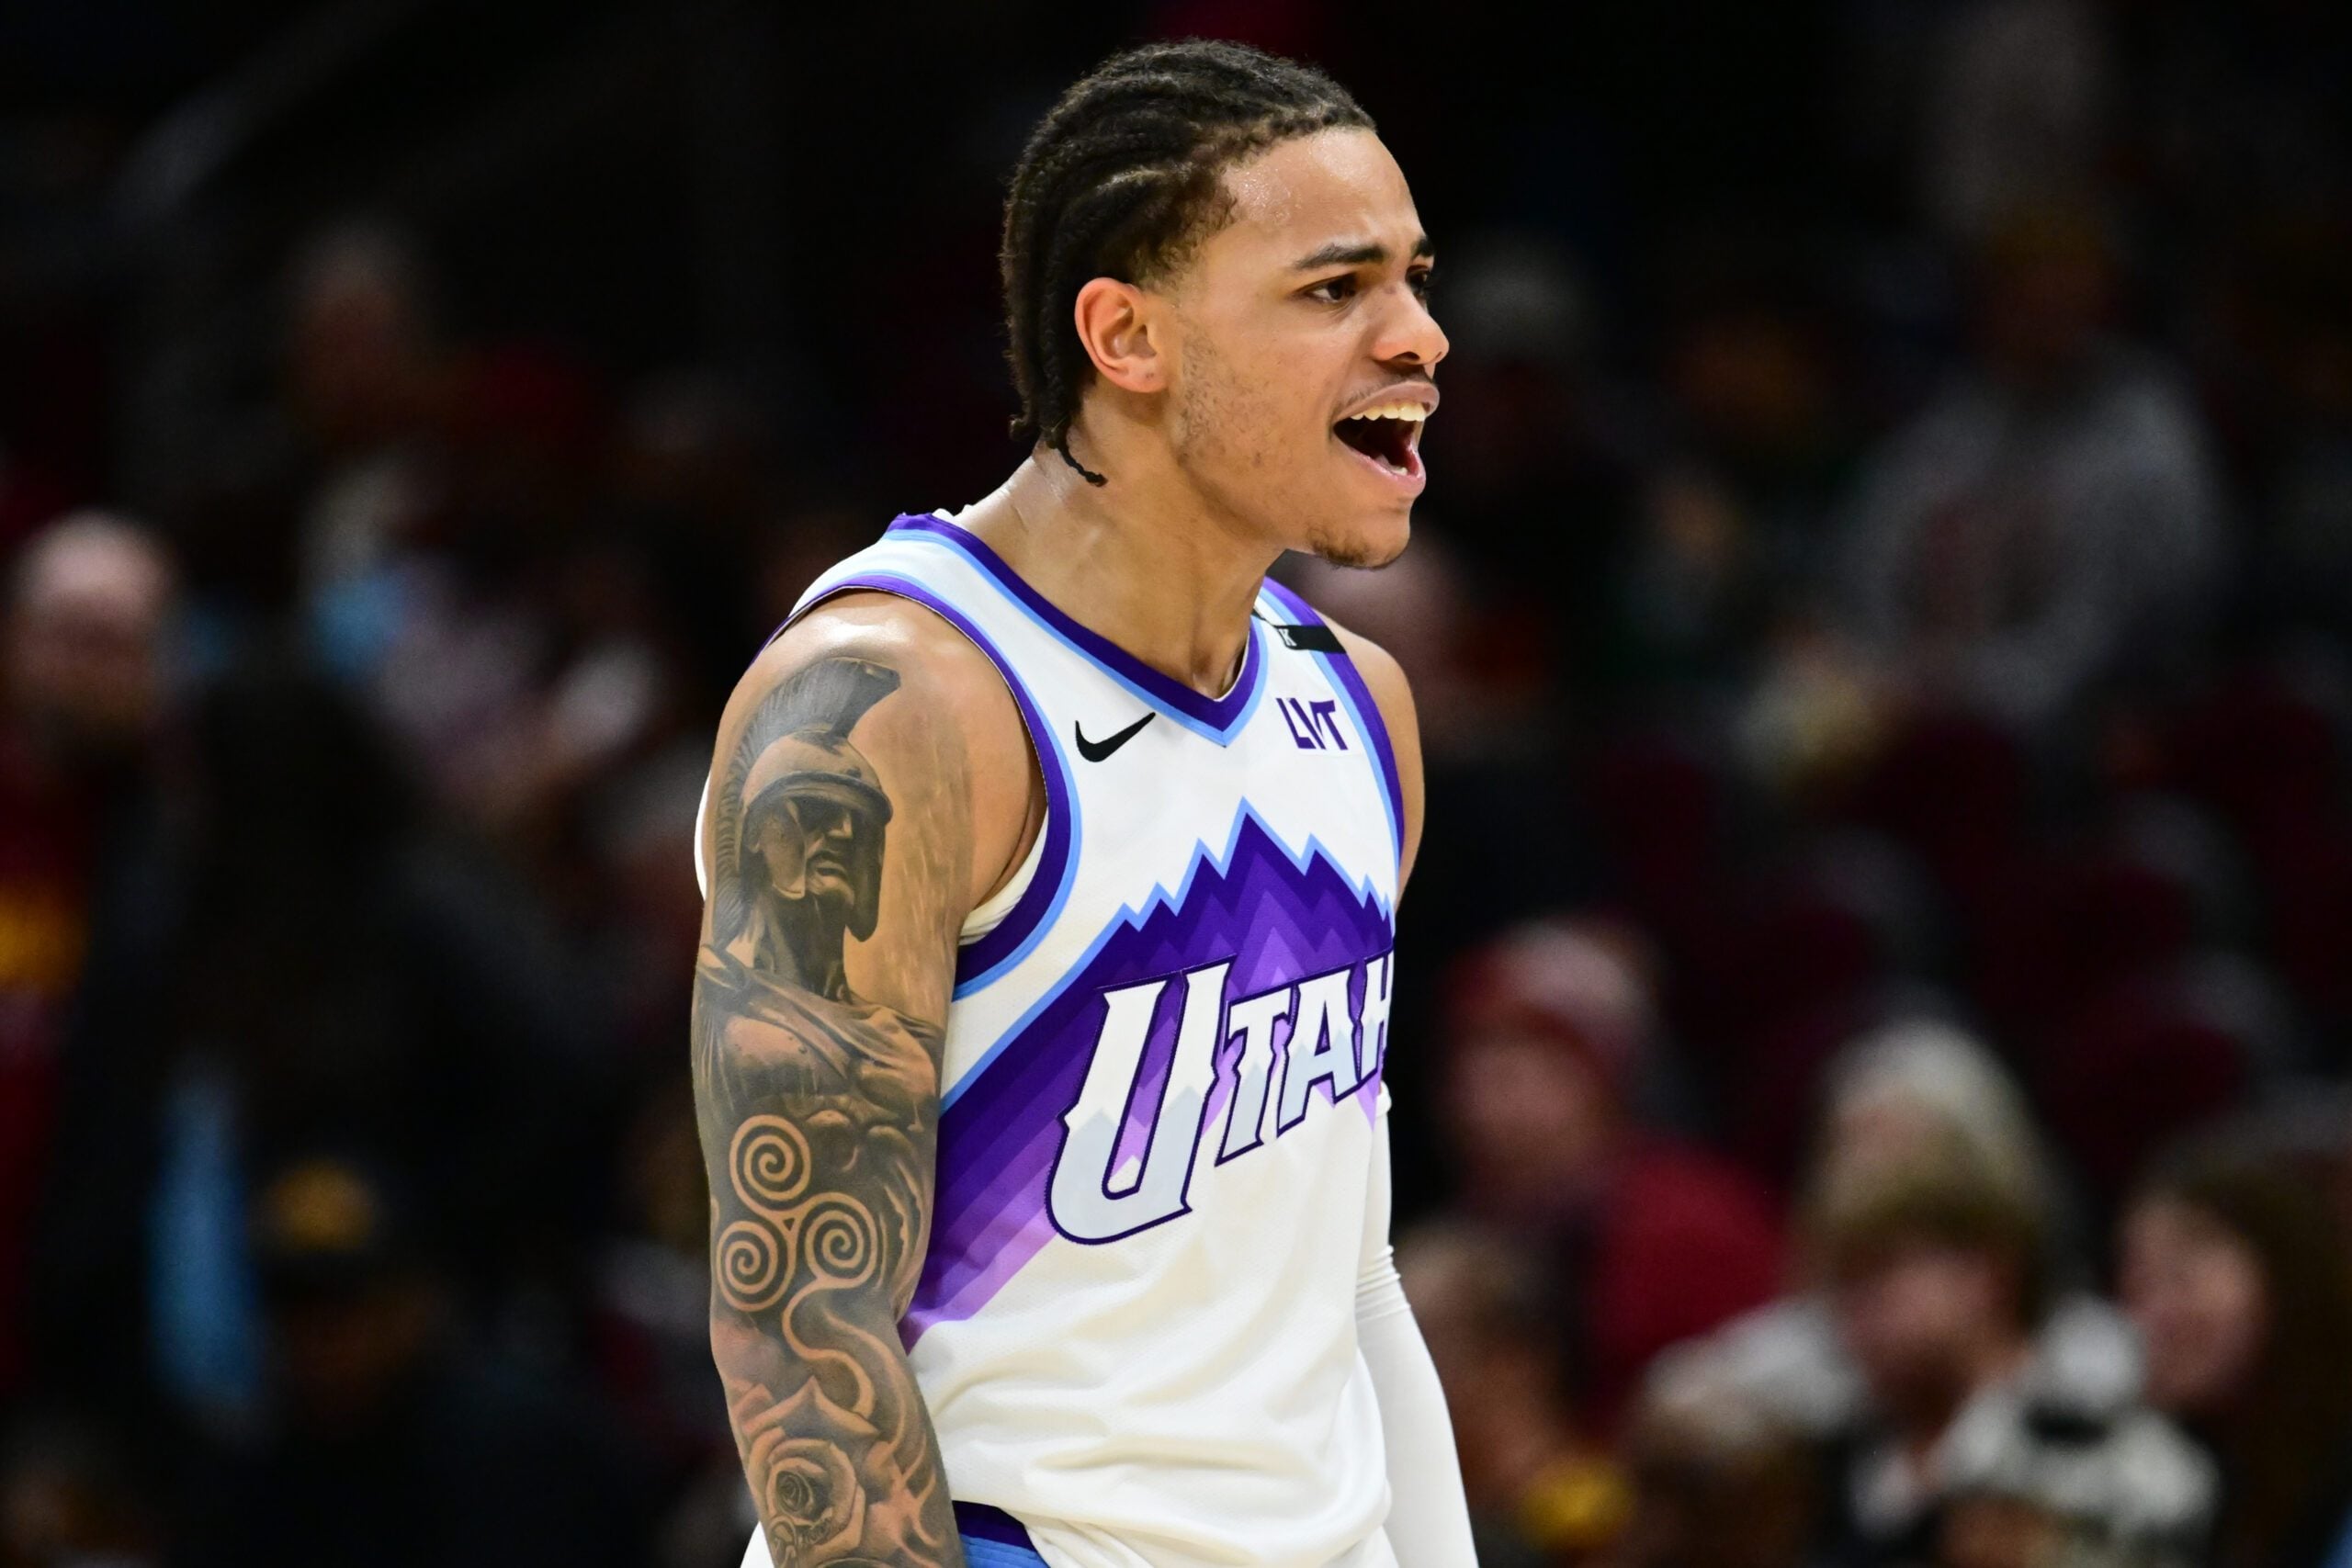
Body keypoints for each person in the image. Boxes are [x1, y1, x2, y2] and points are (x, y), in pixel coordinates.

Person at [689, 39, 1474, 1568]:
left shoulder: (1361, 710)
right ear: (1126, 335)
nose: (1422, 337)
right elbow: (798, 1321)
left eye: (1414, 277)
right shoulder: (893, 705)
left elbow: (1345, 1269)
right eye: (1336, 290)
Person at [2121, 1143, 2352, 1568]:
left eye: (2182, 1277)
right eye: (2138, 1284)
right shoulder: (2151, 1475)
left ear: (2286, 1276)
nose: (2153, 1317)